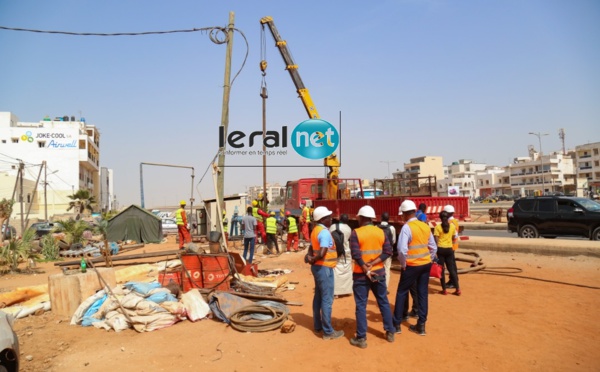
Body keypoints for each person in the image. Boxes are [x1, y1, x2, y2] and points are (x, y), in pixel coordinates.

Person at [349, 206, 396, 348]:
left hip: (361, 275)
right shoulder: (381, 232)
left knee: (361, 305)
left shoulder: (356, 233)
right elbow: (388, 251)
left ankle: (361, 338)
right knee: (383, 301)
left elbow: (355, 254)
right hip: (379, 272)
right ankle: (390, 332)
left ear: (362, 218)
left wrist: (365, 266)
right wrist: (373, 263)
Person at [393, 200, 437, 336]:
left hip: (411, 265)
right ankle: (421, 325)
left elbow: (401, 250)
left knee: (402, 292)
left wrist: (404, 263)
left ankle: (397, 324)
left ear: (405, 214)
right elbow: (433, 247)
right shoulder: (424, 226)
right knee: (422, 293)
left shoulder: (407, 227)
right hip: (425, 265)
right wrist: (429, 259)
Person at [304, 206, 344, 341]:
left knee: (319, 297)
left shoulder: (316, 230)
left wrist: (310, 257)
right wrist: (312, 259)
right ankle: (328, 331)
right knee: (327, 299)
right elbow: (321, 253)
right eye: (328, 217)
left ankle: (318, 325)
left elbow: (311, 247)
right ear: (322, 219)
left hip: (318, 268)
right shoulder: (325, 233)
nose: (331, 219)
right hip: (324, 268)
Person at [434, 210, 461, 296]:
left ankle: (444, 290)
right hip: (449, 249)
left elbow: (436, 240)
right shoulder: (452, 227)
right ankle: (458, 289)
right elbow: (454, 237)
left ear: (440, 218)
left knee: (441, 270)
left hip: (441, 250)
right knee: (452, 269)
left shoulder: (437, 227)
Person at [330, 213, 352, 297]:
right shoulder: (348, 229)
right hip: (345, 252)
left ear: (340, 219)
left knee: (336, 270)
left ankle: (336, 292)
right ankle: (346, 290)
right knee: (346, 270)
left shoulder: (332, 227)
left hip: (334, 251)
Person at [378, 212, 396, 290]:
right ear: (389, 219)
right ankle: (385, 288)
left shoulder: (376, 227)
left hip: (378, 252)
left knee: (378, 268)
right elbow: (393, 240)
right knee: (387, 269)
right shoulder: (392, 228)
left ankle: (378, 286)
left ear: (381, 218)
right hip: (388, 252)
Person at [444, 205, 460, 289]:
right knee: (452, 264)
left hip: (450, 246)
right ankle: (453, 280)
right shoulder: (455, 221)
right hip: (453, 246)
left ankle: (453, 281)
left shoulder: (450, 223)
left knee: (451, 265)